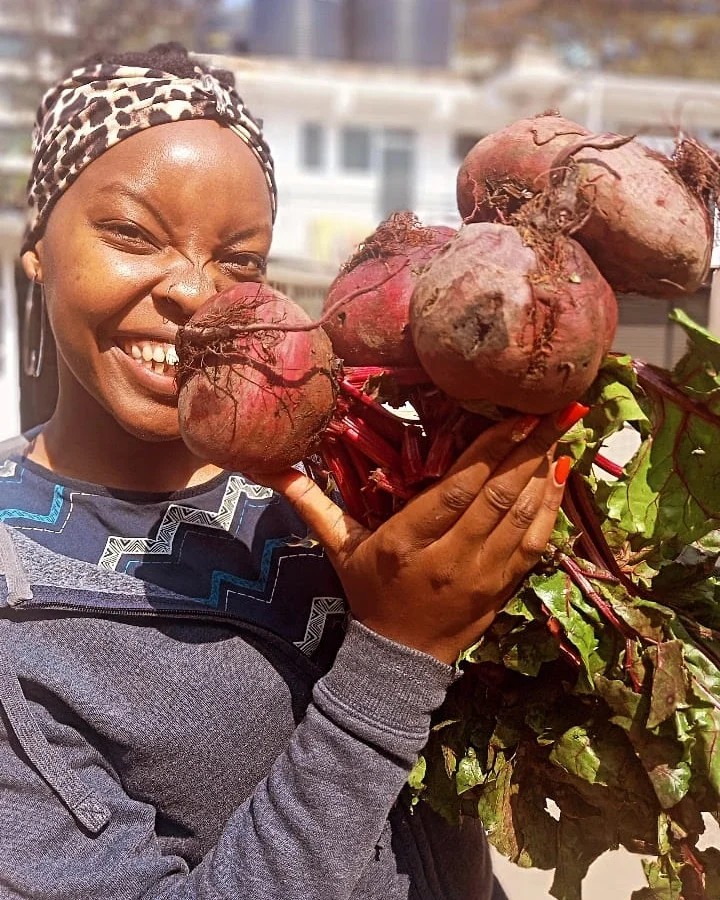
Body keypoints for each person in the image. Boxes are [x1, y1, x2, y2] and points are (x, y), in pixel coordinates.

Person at [0, 42, 584, 900]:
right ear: (39, 250)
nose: (195, 293)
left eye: (239, 259)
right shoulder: (15, 587)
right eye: (131, 234)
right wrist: (399, 652)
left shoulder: (352, 477)